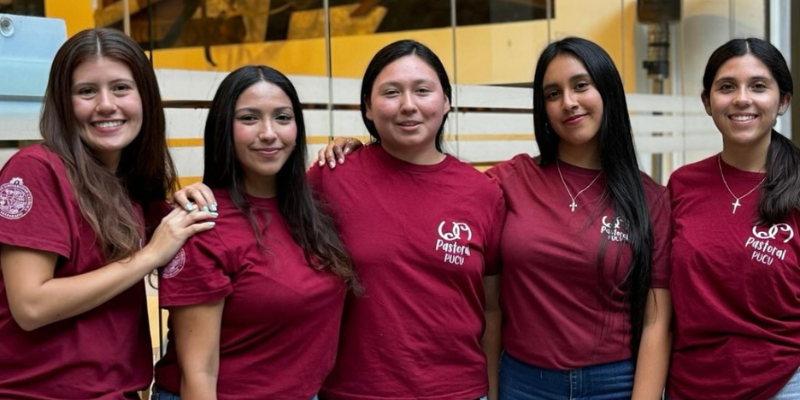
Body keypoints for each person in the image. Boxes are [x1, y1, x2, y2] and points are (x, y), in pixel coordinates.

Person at [318, 37, 672, 400]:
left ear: (608, 90)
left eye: (581, 85)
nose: (568, 102)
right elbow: (428, 190)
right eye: (552, 94)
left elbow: (657, 320)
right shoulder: (508, 181)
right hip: (524, 382)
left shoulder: (650, 199)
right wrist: (359, 150)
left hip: (615, 383)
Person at [174, 40, 505, 400]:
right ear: (368, 107)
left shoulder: (483, 193)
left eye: (422, 90)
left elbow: (491, 308)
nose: (408, 105)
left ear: (446, 101)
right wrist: (198, 195)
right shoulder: (331, 177)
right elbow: (260, 201)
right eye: (391, 92)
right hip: (351, 392)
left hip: (458, 391)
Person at [0, 28, 215, 399]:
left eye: (120, 88)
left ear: (145, 97)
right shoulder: (36, 169)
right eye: (86, 91)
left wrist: (188, 202)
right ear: (63, 103)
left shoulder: (130, 183)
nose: (105, 105)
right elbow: (31, 306)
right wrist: (148, 255)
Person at [150, 65, 357, 400]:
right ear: (224, 128)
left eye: (282, 117)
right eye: (249, 118)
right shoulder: (202, 224)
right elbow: (198, 376)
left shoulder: (312, 211)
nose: (268, 133)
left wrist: (356, 148)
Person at [667, 38, 800, 400]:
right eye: (727, 87)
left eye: (758, 86)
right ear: (707, 102)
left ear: (783, 101)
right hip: (689, 386)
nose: (742, 99)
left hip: (782, 385)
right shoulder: (681, 185)